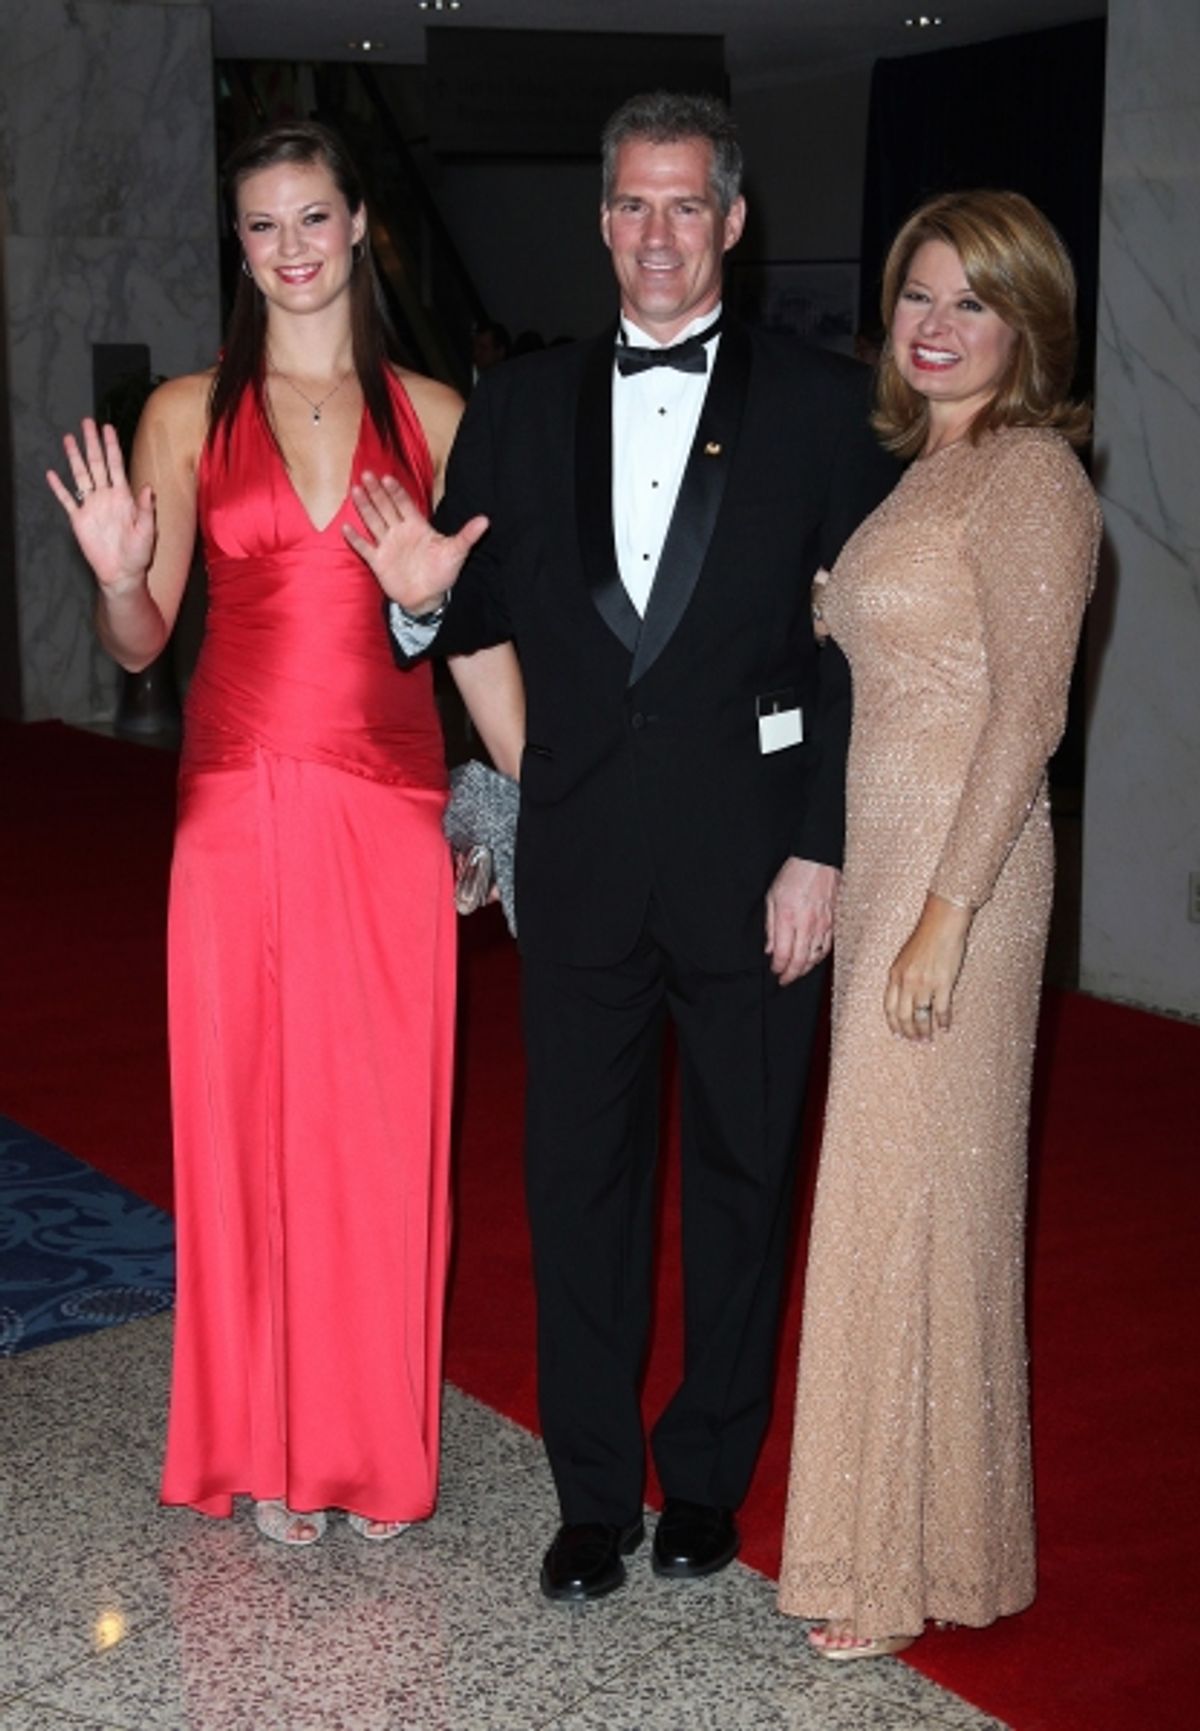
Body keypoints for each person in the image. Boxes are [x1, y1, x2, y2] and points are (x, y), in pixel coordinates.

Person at [348, 90, 896, 1601]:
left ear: (731, 221)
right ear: (603, 222)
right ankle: (591, 1494)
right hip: (581, 868)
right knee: (577, 1191)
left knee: (741, 1180)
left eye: (685, 207)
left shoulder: (823, 407)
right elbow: (469, 607)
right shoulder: (517, 407)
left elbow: (866, 657)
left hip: (757, 868)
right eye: (631, 207)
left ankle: (707, 1473)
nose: (657, 237)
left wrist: (825, 848)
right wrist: (412, 601)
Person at [46, 121, 524, 1547]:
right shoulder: (188, 413)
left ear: (362, 224)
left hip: (386, 807)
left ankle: (374, 1446)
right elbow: (141, 644)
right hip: (235, 808)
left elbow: (472, 639)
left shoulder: (439, 413)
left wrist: (539, 797)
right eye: (263, 227)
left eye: (313, 218)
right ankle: (260, 1443)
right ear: (239, 248)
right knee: (244, 1125)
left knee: (382, 1131)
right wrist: (123, 577)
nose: (292, 249)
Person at [777, 189, 1101, 1659]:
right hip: (892, 855)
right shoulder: (924, 473)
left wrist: (945, 916)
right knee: (896, 1203)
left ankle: (895, 1565)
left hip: (963, 875)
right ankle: (907, 1542)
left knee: (914, 1206)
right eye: (918, 295)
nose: (937, 325)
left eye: (972, 302)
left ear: (1026, 325)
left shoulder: (1032, 477)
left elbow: (1029, 710)